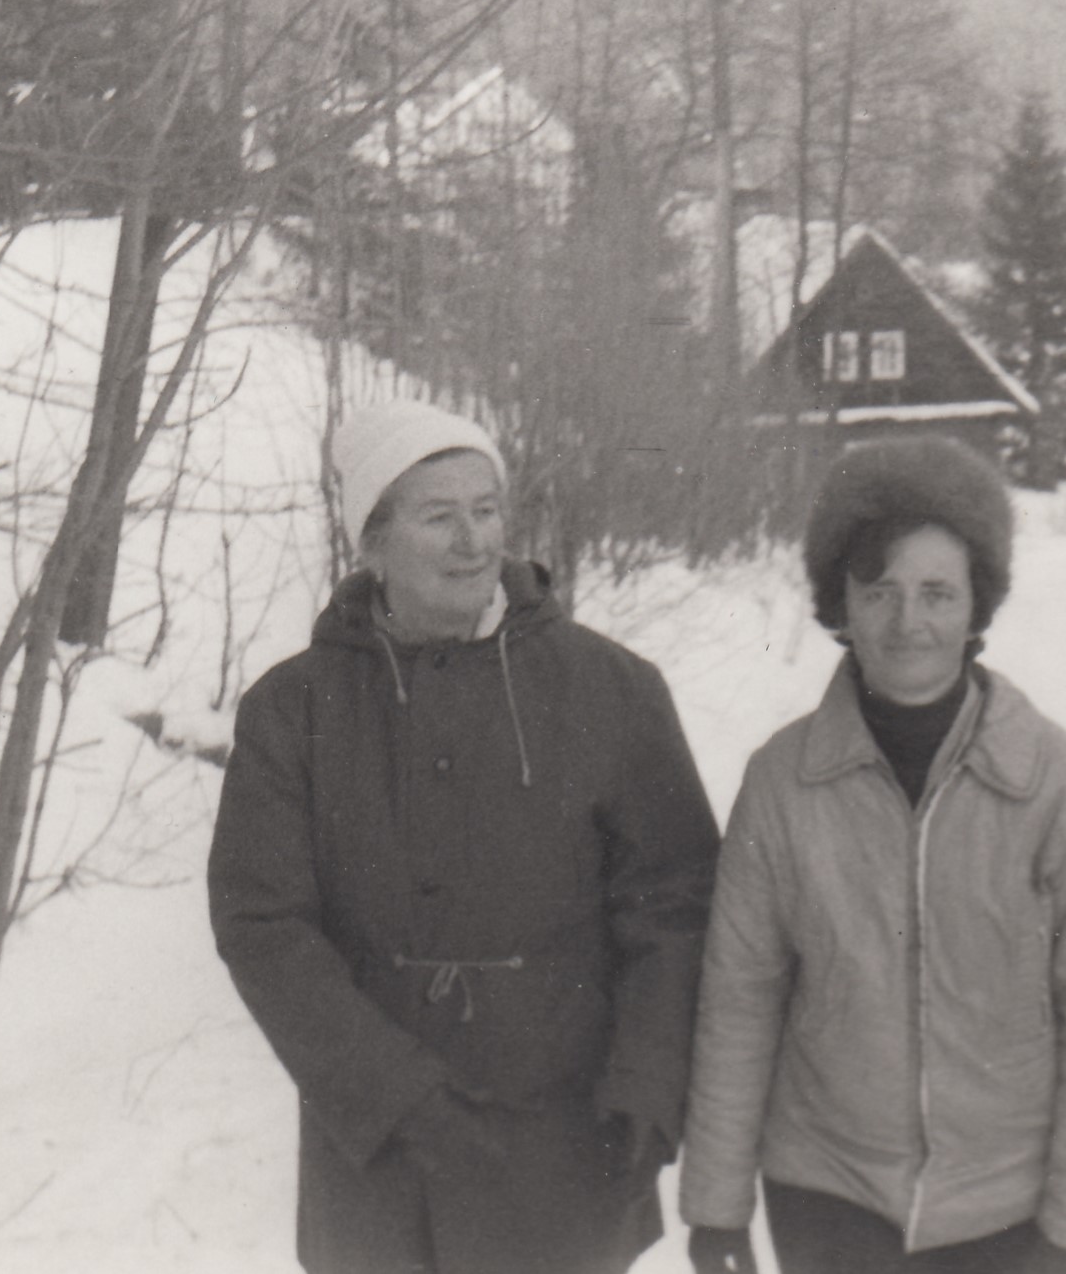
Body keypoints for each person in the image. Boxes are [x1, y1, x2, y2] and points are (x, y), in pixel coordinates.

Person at [208, 398, 721, 1274]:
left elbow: (675, 902)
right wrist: (394, 1097)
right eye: (439, 516)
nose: (473, 541)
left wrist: (648, 1082)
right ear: (372, 543)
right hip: (378, 1151)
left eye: (486, 510)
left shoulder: (610, 687)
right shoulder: (293, 711)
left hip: (569, 1137)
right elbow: (263, 925)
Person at [679, 437, 1066, 1274]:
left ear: (976, 604)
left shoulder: (1063, 784)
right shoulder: (782, 783)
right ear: (842, 602)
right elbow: (740, 1000)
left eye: (937, 593)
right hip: (827, 1196)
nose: (908, 623)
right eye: (880, 592)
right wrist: (716, 1209)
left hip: (1007, 1203)